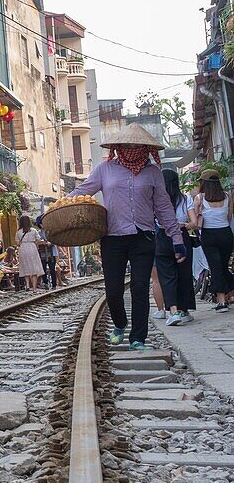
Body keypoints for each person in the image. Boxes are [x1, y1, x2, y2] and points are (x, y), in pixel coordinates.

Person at [65, 125, 185, 348]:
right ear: (118, 147)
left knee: (140, 288)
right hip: (113, 238)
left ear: (145, 148)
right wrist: (53, 210)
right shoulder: (105, 169)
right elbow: (82, 191)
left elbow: (163, 207)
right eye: (127, 145)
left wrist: (177, 239)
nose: (132, 149)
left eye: (137, 145)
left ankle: (138, 338)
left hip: (144, 237)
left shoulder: (153, 173)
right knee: (113, 290)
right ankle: (120, 323)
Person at [189, 169, 234, 312]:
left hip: (209, 235)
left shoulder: (199, 198)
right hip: (226, 234)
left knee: (215, 267)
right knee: (221, 266)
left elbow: (195, 220)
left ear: (204, 183)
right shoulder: (227, 196)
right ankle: (224, 296)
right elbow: (228, 217)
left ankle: (221, 302)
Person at [156, 168, 196, 326]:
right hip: (182, 236)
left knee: (167, 276)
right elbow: (194, 223)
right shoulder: (185, 199)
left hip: (163, 238)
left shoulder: (157, 199)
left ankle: (173, 311)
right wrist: (183, 224)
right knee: (184, 274)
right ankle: (185, 310)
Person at [16, 217, 44, 291]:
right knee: (34, 267)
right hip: (32, 248)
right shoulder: (33, 230)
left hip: (23, 248)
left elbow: (17, 242)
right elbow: (38, 239)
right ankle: (34, 288)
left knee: (25, 266)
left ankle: (27, 285)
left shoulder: (19, 232)